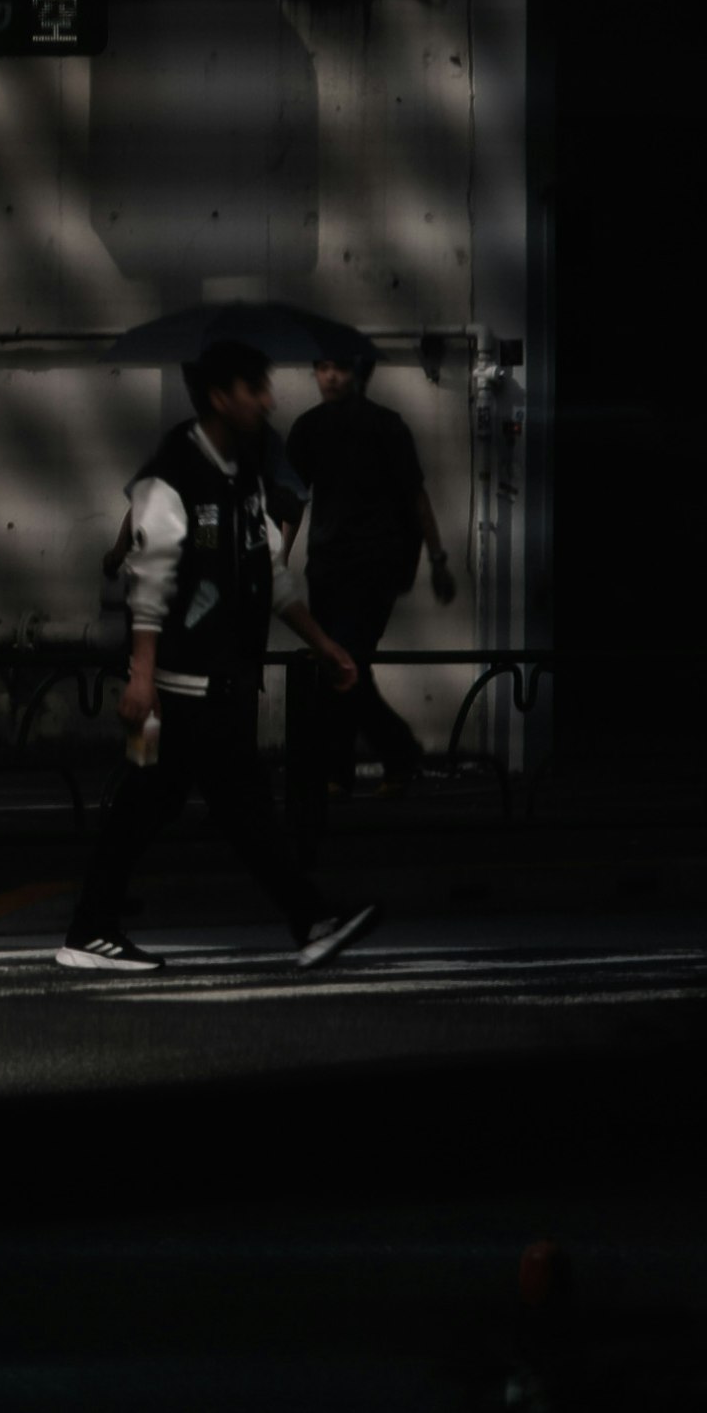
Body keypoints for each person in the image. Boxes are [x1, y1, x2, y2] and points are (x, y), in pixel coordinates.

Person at [58, 339, 378, 978]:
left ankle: (94, 928)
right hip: (176, 686)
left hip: (217, 683)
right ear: (217, 397)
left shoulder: (247, 471)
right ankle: (308, 919)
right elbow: (149, 579)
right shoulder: (173, 472)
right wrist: (143, 676)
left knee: (175, 803)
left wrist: (324, 644)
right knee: (216, 806)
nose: (267, 398)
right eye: (253, 387)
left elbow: (272, 573)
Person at [277, 327, 450, 850]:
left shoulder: (385, 428)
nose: (329, 376)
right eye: (323, 367)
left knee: (344, 662)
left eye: (340, 368)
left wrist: (438, 558)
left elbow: (415, 496)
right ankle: (381, 760)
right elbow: (295, 499)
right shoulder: (309, 429)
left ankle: (375, 760)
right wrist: (279, 558)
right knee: (344, 665)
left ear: (359, 373)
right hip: (328, 566)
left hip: (374, 566)